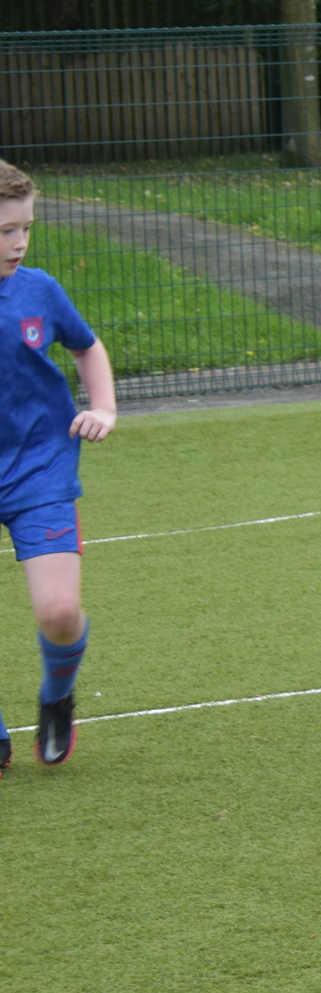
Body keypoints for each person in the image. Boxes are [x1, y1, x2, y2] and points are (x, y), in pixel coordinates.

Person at [0, 158, 117, 774]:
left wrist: (103, 406)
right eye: (3, 231)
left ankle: (56, 697)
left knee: (59, 612)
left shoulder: (40, 290)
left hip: (39, 470)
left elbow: (87, 345)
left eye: (25, 228)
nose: (17, 242)